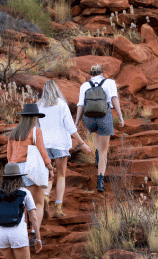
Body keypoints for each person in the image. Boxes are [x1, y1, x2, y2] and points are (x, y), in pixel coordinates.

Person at [36, 79, 92, 217]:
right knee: (61, 175)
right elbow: (70, 128)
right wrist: (82, 143)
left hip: (43, 145)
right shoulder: (61, 105)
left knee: (48, 174)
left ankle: (46, 195)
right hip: (59, 145)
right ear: (56, 90)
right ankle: (58, 209)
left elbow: (35, 128)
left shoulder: (38, 105)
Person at [73, 64, 125, 192]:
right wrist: (120, 116)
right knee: (104, 151)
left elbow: (80, 105)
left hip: (88, 119)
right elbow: (114, 99)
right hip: (104, 116)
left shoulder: (84, 85)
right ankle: (100, 181)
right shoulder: (110, 82)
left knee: (96, 132)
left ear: (90, 75)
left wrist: (76, 122)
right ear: (102, 74)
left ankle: (96, 152)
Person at [7, 103, 54, 240]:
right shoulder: (35, 131)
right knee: (38, 203)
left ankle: (20, 234)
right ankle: (34, 235)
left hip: (14, 171)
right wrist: (50, 167)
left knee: (21, 203)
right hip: (29, 170)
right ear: (34, 117)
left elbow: (9, 156)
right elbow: (42, 151)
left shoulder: (13, 133)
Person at [0, 163, 42, 259]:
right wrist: (38, 239)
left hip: (1, 235)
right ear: (19, 177)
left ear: (4, 178)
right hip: (18, 234)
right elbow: (34, 217)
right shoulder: (25, 192)